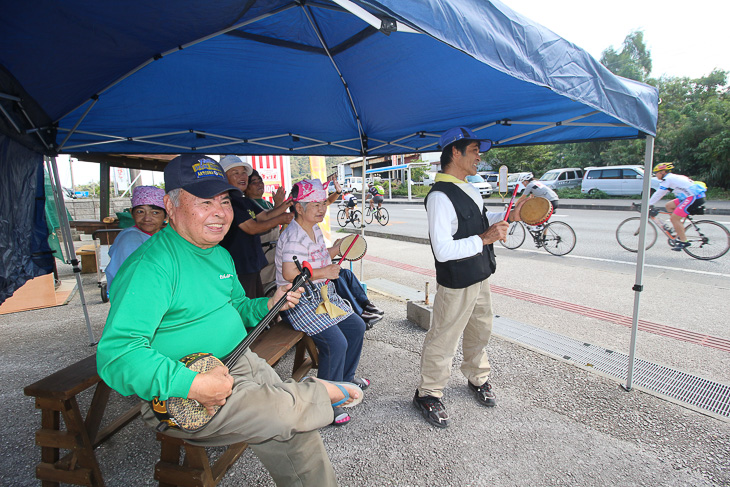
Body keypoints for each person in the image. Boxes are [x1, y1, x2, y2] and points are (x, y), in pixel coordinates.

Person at [97, 154, 363, 487]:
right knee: (283, 411)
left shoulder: (220, 254)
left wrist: (268, 304)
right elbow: (117, 354)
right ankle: (320, 393)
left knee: (297, 426)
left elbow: (237, 306)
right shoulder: (151, 266)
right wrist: (192, 384)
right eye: (204, 201)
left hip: (240, 360)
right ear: (170, 205)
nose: (221, 212)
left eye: (224, 201)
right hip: (183, 389)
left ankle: (305, 406)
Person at [413, 127, 524, 429]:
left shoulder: (470, 188)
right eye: (474, 149)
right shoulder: (439, 197)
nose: (479, 155)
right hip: (456, 280)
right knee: (443, 338)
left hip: (480, 274)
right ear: (455, 152)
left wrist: (508, 218)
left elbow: (478, 225)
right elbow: (443, 249)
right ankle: (428, 393)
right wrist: (486, 238)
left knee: (480, 331)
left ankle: (478, 376)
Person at [275, 179, 369, 426]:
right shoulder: (294, 235)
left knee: (357, 326)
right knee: (336, 343)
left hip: (320, 296)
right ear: (298, 207)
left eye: (321, 203)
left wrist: (334, 251)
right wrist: (323, 273)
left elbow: (317, 257)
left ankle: (344, 385)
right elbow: (288, 273)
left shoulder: (314, 229)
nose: (321, 208)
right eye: (314, 204)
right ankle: (326, 403)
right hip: (297, 302)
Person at [219, 155, 293, 298]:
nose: (242, 176)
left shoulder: (244, 201)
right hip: (239, 264)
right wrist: (283, 218)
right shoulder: (230, 201)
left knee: (257, 299)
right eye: (236, 173)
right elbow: (252, 228)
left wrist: (288, 203)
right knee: (247, 303)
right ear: (224, 177)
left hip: (251, 262)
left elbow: (266, 216)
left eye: (243, 173)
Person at [105, 185, 166, 294]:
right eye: (140, 212)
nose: (147, 218)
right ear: (131, 213)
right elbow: (135, 279)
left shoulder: (162, 236)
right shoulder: (130, 239)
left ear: (166, 215)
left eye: (155, 213)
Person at [244, 169, 288, 289]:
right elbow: (263, 223)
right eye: (254, 182)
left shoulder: (267, 204)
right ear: (246, 187)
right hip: (261, 257)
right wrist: (279, 204)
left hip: (274, 255)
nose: (259, 184)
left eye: (260, 181)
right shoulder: (247, 204)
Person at [648, 162, 707, 250]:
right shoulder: (671, 177)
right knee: (669, 205)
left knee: (674, 218)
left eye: (656, 173)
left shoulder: (668, 179)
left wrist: (648, 204)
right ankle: (677, 229)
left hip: (693, 197)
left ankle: (684, 241)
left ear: (662, 172)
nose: (655, 175)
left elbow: (659, 193)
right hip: (689, 196)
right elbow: (663, 192)